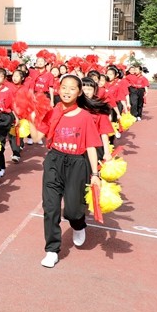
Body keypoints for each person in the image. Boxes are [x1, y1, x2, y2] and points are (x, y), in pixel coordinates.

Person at [29, 75, 107, 268]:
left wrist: (95, 175)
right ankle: (52, 250)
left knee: (73, 210)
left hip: (78, 164)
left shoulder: (85, 116)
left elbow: (90, 146)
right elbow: (37, 137)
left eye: (72, 88)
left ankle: (78, 225)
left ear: (79, 92)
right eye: (63, 87)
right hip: (54, 161)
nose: (66, 91)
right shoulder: (52, 112)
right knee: (51, 207)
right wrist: (31, 118)